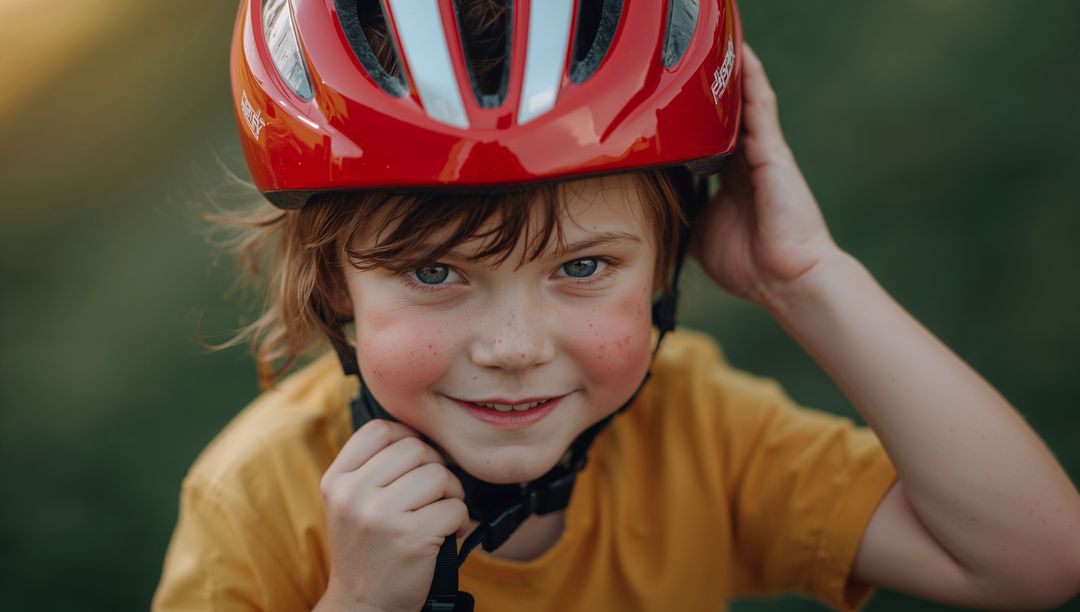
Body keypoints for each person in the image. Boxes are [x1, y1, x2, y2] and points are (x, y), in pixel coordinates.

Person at [153, 1, 1080, 610]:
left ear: (669, 259)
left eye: (584, 268)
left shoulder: (700, 431)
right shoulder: (253, 509)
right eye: (435, 275)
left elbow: (1031, 559)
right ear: (330, 286)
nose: (514, 347)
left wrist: (804, 278)